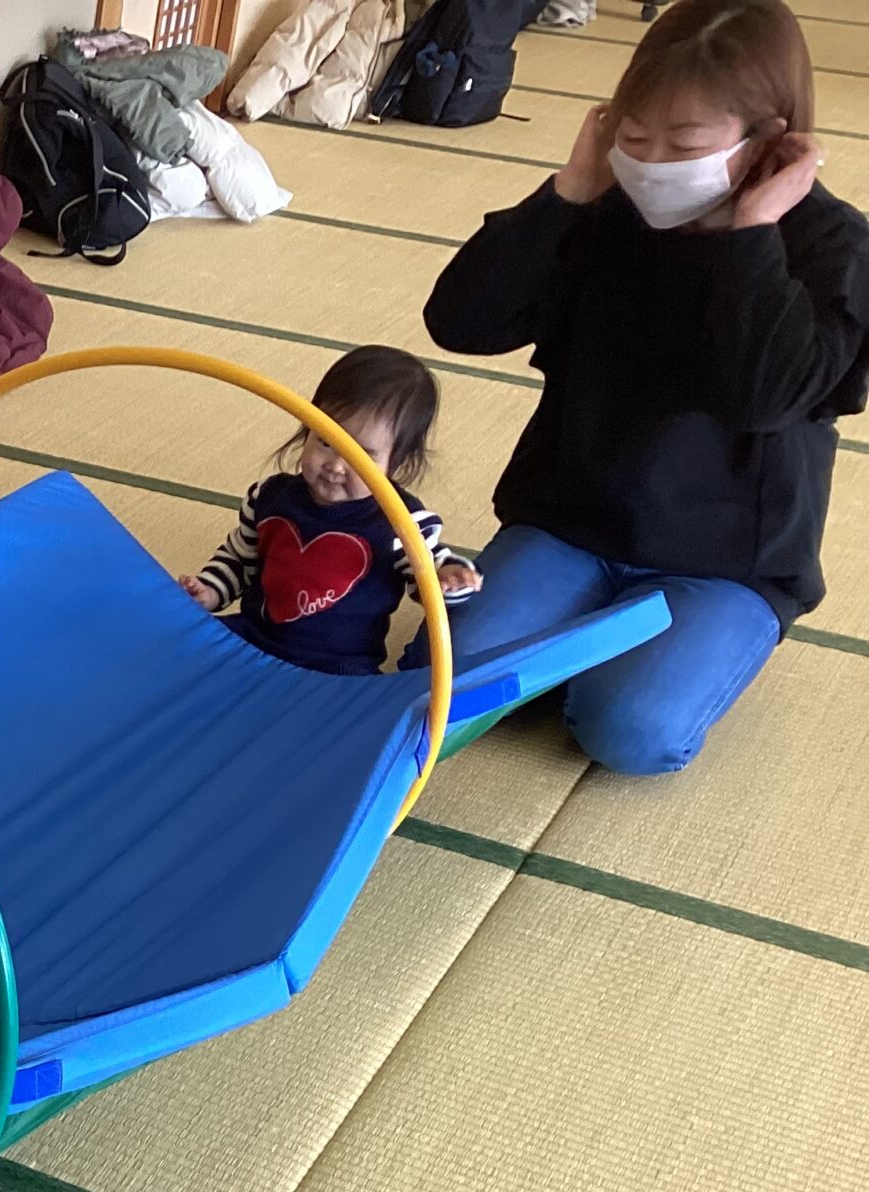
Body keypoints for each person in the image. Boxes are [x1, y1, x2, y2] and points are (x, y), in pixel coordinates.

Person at [420, 0, 869, 773]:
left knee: (631, 731)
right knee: (442, 684)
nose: (654, 163)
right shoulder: (605, 211)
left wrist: (753, 232)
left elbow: (762, 396)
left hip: (726, 561)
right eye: (634, 137)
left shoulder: (834, 246)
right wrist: (567, 192)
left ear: (771, 139)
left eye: (685, 144)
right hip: (573, 521)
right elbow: (460, 323)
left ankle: (648, 656)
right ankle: (584, 647)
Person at [182, 346, 482, 675]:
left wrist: (448, 578)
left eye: (361, 456)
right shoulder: (269, 496)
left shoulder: (402, 522)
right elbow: (240, 559)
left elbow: (428, 571)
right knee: (178, 644)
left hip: (339, 667)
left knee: (366, 705)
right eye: (325, 442)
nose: (336, 466)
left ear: (396, 462)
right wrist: (210, 590)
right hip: (252, 638)